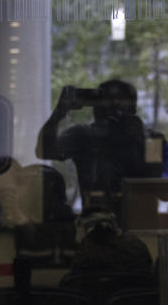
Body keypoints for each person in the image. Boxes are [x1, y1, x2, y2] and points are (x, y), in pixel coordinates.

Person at [35, 79, 154, 214]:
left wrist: (139, 139)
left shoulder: (145, 140)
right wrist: (59, 112)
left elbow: (157, 184)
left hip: (134, 220)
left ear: (129, 109)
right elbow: (44, 151)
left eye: (111, 103)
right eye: (98, 101)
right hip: (98, 220)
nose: (100, 107)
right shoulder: (83, 135)